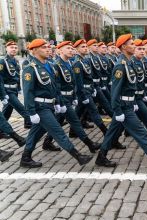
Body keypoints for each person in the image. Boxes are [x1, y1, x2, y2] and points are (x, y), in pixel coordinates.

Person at [96, 34, 147, 170]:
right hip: (124, 107)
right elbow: (115, 91)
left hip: (130, 103)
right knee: (141, 133)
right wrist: (118, 110)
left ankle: (101, 157)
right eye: (132, 44)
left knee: (112, 132)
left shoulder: (129, 62)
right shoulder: (120, 66)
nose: (134, 46)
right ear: (124, 47)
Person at [20, 38, 93, 168]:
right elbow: (28, 92)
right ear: (34, 50)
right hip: (40, 107)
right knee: (58, 131)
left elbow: (55, 87)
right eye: (44, 47)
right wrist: (31, 112)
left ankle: (25, 157)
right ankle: (78, 156)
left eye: (49, 47)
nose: (48, 49)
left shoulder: (49, 65)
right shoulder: (30, 68)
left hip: (50, 105)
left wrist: (59, 103)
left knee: (35, 133)